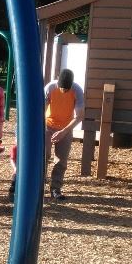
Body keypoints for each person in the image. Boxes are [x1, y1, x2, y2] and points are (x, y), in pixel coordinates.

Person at [44, 68, 84, 202]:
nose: (64, 91)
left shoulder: (77, 90)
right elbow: (41, 110)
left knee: (61, 160)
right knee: (44, 154)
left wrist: (63, 132)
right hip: (48, 125)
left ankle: (55, 188)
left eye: (67, 89)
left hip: (66, 127)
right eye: (62, 88)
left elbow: (79, 116)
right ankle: (39, 184)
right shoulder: (50, 88)